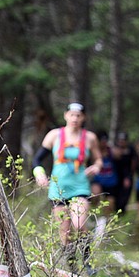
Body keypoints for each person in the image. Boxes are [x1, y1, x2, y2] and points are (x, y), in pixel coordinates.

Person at [32, 102, 103, 266]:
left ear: (83, 117)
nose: (75, 118)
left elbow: (99, 159)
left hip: (80, 187)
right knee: (65, 232)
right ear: (66, 116)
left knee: (79, 224)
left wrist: (96, 167)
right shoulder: (54, 135)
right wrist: (40, 174)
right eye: (72, 115)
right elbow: (37, 160)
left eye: (78, 116)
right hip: (58, 189)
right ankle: (72, 267)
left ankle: (87, 261)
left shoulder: (90, 137)